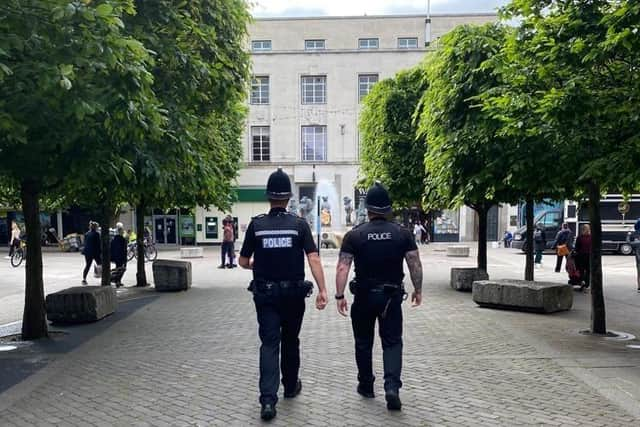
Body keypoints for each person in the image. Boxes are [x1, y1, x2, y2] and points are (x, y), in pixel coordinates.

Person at [238, 168, 329, 421]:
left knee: (269, 344)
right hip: (293, 296)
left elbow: (243, 261)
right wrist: (323, 289)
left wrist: (257, 264)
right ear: (289, 198)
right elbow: (313, 258)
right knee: (291, 340)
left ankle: (268, 401)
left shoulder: (256, 225)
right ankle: (290, 386)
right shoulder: (299, 225)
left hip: (265, 296)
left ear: (268, 197)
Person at [335, 182, 423, 412]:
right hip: (391, 298)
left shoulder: (355, 235)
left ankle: (366, 385)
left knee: (363, 342)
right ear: (388, 208)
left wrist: (339, 295)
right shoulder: (402, 233)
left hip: (363, 296)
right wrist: (418, 289)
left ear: (368, 208)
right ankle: (392, 387)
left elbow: (343, 268)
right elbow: (414, 262)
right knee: (392, 342)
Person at [574, 224, 592, 291]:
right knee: (588, 270)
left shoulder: (580, 237)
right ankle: (587, 284)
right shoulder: (591, 237)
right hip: (589, 256)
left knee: (581, 270)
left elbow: (576, 248)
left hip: (581, 256)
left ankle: (582, 282)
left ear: (582, 230)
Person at [110, 223, 127, 288]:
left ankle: (117, 280)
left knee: (118, 268)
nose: (123, 232)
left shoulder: (114, 239)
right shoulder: (122, 239)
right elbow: (124, 250)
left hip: (116, 257)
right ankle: (117, 280)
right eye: (122, 231)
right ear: (120, 231)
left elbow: (111, 248)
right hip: (121, 257)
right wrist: (125, 258)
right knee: (121, 269)